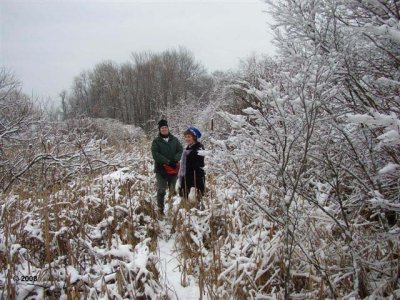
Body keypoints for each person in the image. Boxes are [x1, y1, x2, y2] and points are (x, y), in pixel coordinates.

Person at [151, 119, 183, 215]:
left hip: (173, 169)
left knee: (174, 190)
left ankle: (173, 210)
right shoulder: (156, 141)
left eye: (165, 127)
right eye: (162, 128)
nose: (164, 129)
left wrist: (175, 159)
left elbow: (180, 150)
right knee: (161, 190)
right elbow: (155, 154)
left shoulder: (174, 139)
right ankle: (160, 210)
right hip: (161, 170)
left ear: (168, 128)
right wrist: (168, 162)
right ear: (159, 130)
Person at [176, 127, 205, 203]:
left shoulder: (199, 149)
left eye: (189, 137)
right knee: (185, 201)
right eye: (186, 137)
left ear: (194, 137)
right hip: (187, 179)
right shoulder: (188, 149)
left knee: (195, 202)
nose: (187, 139)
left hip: (195, 180)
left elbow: (200, 165)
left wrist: (194, 183)